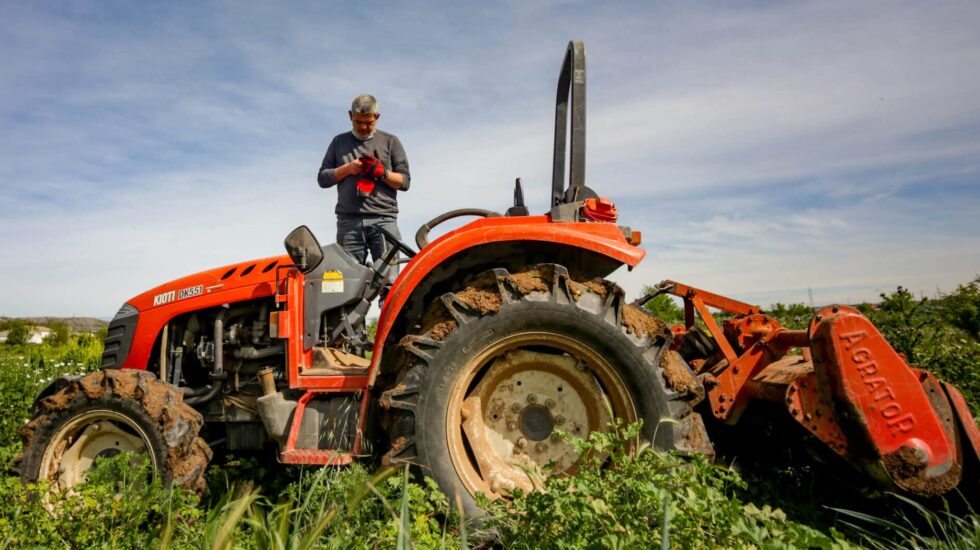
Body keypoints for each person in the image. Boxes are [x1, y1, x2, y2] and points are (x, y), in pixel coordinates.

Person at [317, 94, 411, 267]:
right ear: (350, 116)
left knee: (388, 281)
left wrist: (383, 173)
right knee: (349, 282)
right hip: (349, 223)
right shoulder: (339, 142)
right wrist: (347, 169)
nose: (363, 127)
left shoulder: (391, 142)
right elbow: (322, 179)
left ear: (377, 117)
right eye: (358, 122)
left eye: (369, 123)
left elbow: (405, 182)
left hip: (384, 220)